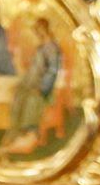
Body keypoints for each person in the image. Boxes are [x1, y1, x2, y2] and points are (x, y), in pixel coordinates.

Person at [4, 18, 62, 154]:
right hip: (30, 85)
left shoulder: (52, 47)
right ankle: (16, 135)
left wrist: (42, 88)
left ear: (44, 29)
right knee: (18, 97)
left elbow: (52, 71)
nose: (37, 32)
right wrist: (22, 83)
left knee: (31, 101)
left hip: (42, 89)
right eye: (36, 30)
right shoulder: (41, 47)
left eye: (38, 29)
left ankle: (29, 137)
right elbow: (33, 69)